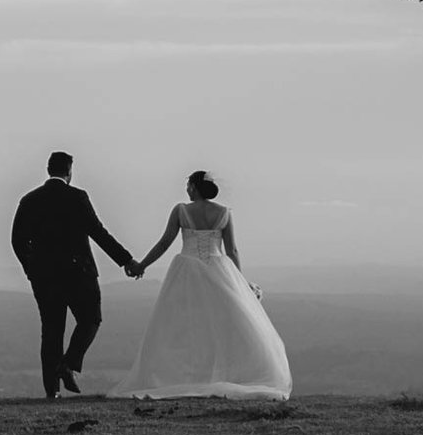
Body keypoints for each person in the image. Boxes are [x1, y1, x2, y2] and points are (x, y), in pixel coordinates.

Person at [115, 170, 292, 399]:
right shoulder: (224, 213)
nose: (186, 189)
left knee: (182, 327)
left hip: (187, 270)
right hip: (219, 270)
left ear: (194, 187)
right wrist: (239, 282)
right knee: (219, 325)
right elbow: (232, 250)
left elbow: (164, 242)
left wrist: (142, 265)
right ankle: (221, 374)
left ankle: (186, 375)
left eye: (188, 185)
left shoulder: (181, 210)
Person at [9, 151, 137, 399]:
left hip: (44, 277)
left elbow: (17, 240)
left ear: (48, 170)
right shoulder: (77, 197)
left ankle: (52, 392)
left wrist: (31, 268)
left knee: (51, 331)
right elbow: (98, 233)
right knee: (91, 320)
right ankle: (68, 364)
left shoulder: (29, 200)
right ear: (69, 172)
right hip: (79, 273)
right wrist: (126, 260)